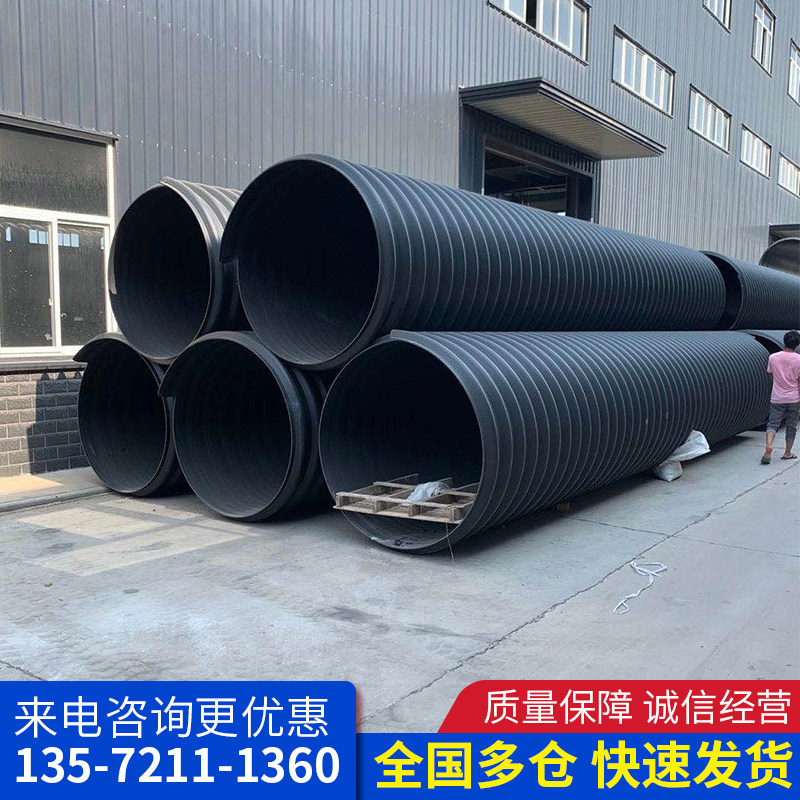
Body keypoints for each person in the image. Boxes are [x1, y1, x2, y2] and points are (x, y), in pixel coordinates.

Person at [762, 329, 800, 464]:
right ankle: (787, 452)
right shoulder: (799, 359)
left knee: (772, 424)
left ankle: (769, 446)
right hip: (794, 398)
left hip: (777, 397)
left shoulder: (773, 357)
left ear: (784, 341)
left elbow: (771, 375)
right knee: (791, 426)